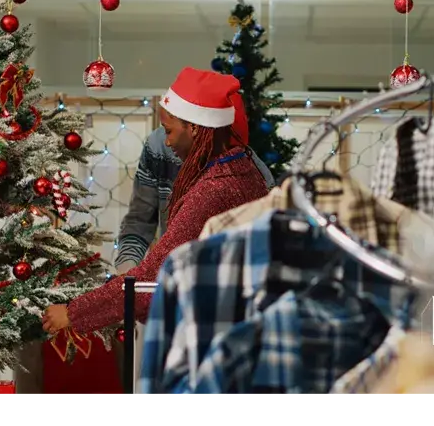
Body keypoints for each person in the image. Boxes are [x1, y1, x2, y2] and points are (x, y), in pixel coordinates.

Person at [42, 67, 270, 334]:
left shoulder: (215, 190)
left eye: (169, 130)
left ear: (195, 128)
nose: (167, 141)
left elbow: (151, 280)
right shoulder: (241, 168)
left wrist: (73, 312)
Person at [114, 124, 274, 275]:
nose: (168, 141)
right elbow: (139, 222)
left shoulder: (246, 169)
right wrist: (127, 274)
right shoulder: (159, 146)